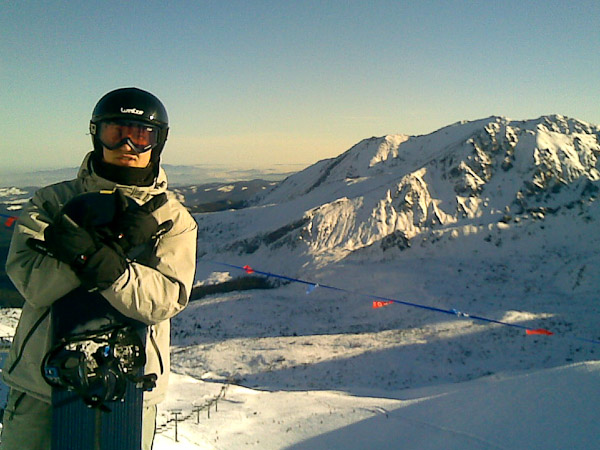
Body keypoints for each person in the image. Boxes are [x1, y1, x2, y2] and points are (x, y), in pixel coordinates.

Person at [1, 87, 197, 450]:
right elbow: (34, 284)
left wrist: (102, 262)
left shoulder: (170, 219)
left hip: (131, 386)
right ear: (96, 134)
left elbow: (166, 300)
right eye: (115, 132)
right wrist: (103, 254)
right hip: (39, 386)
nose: (127, 145)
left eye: (141, 135)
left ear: (158, 143)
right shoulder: (51, 201)